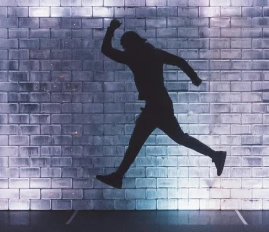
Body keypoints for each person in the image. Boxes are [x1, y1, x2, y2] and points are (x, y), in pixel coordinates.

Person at [96, 18, 226, 189]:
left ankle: (118, 176)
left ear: (131, 45)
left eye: (124, 45)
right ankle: (215, 155)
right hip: (161, 104)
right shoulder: (154, 53)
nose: (124, 49)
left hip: (155, 107)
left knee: (137, 143)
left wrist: (111, 28)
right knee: (179, 138)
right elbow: (180, 61)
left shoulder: (133, 56)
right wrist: (194, 77)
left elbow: (106, 49)